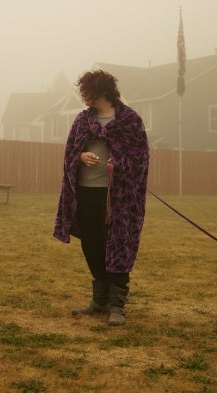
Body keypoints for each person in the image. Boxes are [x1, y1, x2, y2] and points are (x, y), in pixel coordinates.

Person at [53, 69, 150, 326]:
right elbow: (69, 154)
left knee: (118, 245)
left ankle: (117, 305)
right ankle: (100, 301)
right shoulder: (82, 121)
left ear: (102, 91)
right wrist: (81, 157)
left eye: (88, 91)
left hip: (119, 199)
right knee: (92, 244)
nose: (84, 97)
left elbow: (141, 158)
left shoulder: (130, 120)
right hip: (86, 193)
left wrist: (119, 164)